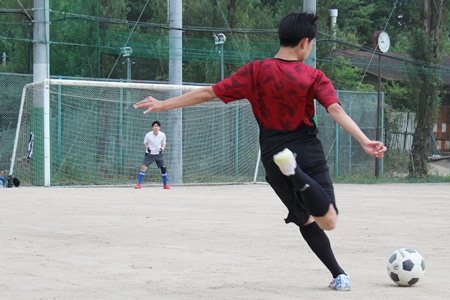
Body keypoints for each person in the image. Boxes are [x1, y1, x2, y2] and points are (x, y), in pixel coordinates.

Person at [133, 11, 386, 291]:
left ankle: (338, 272)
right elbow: (335, 109)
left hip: (274, 155)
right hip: (307, 149)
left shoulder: (255, 71)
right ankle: (300, 176)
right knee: (329, 220)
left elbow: (208, 93)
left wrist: (162, 105)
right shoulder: (314, 76)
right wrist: (364, 139)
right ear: (305, 42)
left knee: (305, 219)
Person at [135, 120, 170, 189]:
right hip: (149, 154)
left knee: (163, 168)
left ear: (159, 128)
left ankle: (165, 185)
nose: (156, 128)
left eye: (157, 126)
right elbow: (145, 143)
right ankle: (139, 184)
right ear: (152, 128)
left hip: (159, 154)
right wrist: (147, 147)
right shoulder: (148, 135)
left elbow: (164, 143)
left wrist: (162, 148)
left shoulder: (162, 135)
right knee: (144, 167)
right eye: (154, 126)